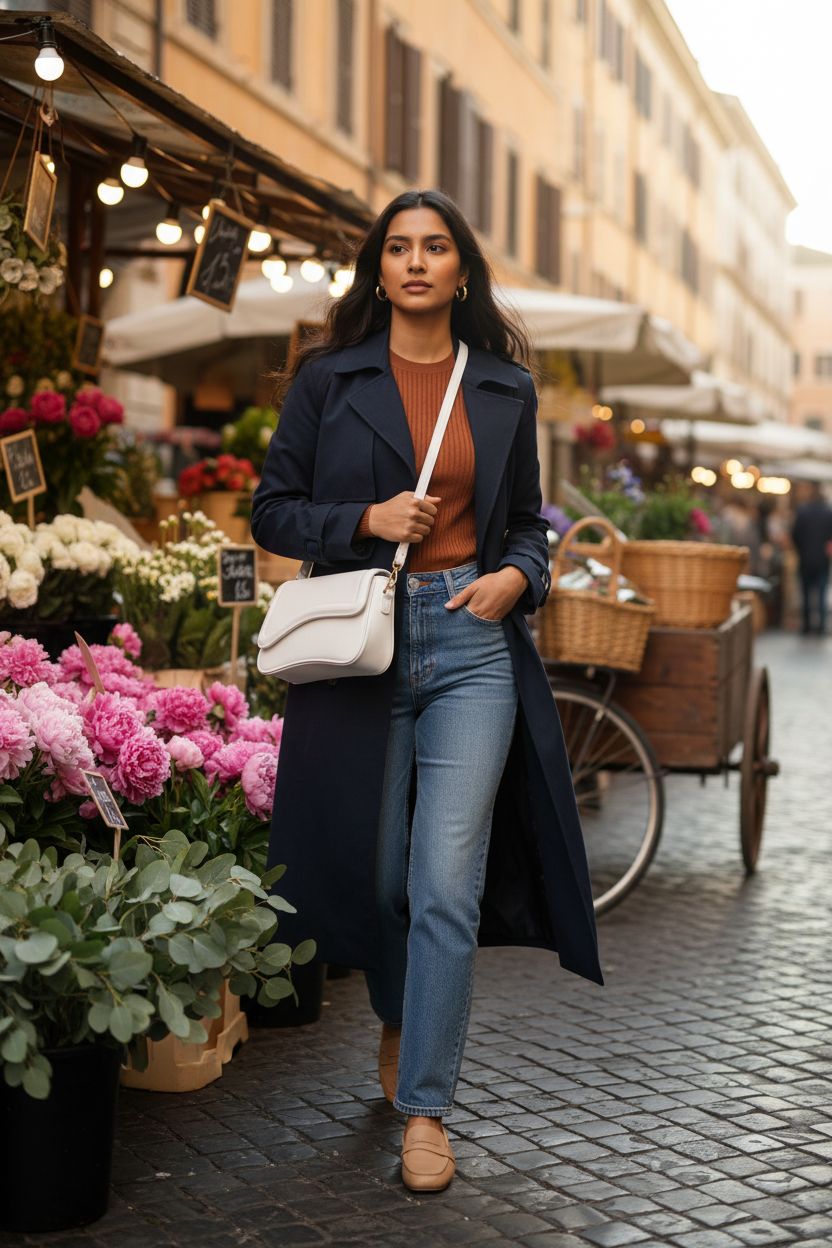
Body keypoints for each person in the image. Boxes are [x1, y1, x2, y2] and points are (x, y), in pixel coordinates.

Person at [251, 189, 602, 1194]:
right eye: (397, 247)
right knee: (380, 879)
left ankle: (428, 1109)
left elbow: (529, 523)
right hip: (360, 644)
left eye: (434, 246)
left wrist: (519, 577)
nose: (414, 262)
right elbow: (273, 509)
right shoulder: (327, 379)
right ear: (378, 269)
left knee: (446, 880)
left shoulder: (502, 387)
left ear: (460, 270)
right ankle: (403, 1016)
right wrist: (363, 518)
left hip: (470, 643)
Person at [791, 481, 832, 635]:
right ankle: (821, 626)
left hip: (805, 558)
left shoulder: (802, 512)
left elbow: (795, 535)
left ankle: (807, 625)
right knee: (821, 593)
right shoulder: (828, 512)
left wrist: (801, 549)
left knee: (806, 593)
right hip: (823, 559)